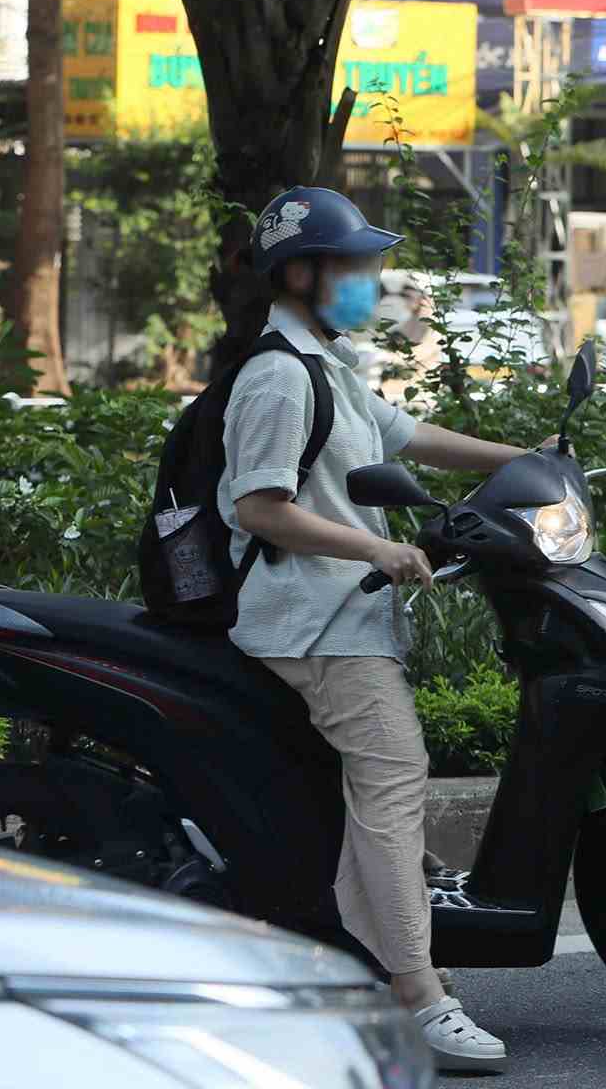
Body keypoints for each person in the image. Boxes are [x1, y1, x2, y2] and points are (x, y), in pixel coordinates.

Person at [219, 186, 538, 1074]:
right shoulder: (278, 377)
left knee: (374, 797)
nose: (370, 279)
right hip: (313, 624)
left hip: (341, 613)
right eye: (355, 265)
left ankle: (372, 964)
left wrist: (529, 461)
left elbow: (409, 436)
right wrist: (378, 548)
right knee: (394, 785)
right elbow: (259, 508)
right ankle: (419, 996)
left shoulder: (327, 363)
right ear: (301, 274)